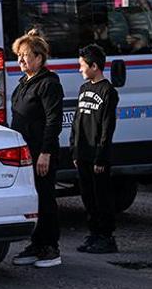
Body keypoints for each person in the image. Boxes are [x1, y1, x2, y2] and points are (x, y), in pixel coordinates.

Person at [9, 29, 64, 268]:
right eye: (19, 55)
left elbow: (54, 120)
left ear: (39, 58)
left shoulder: (49, 84)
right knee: (33, 199)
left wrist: (46, 152)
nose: (21, 60)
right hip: (26, 151)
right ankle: (36, 243)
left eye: (26, 55)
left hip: (42, 151)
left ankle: (50, 248)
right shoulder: (24, 83)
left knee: (46, 197)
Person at [72, 44, 120, 254]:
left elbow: (107, 127)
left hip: (97, 157)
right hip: (82, 153)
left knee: (101, 197)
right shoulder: (84, 89)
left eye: (82, 65)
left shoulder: (108, 91)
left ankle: (106, 237)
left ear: (94, 66)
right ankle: (93, 234)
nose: (80, 69)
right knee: (87, 197)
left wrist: (101, 157)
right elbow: (77, 122)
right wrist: (74, 149)